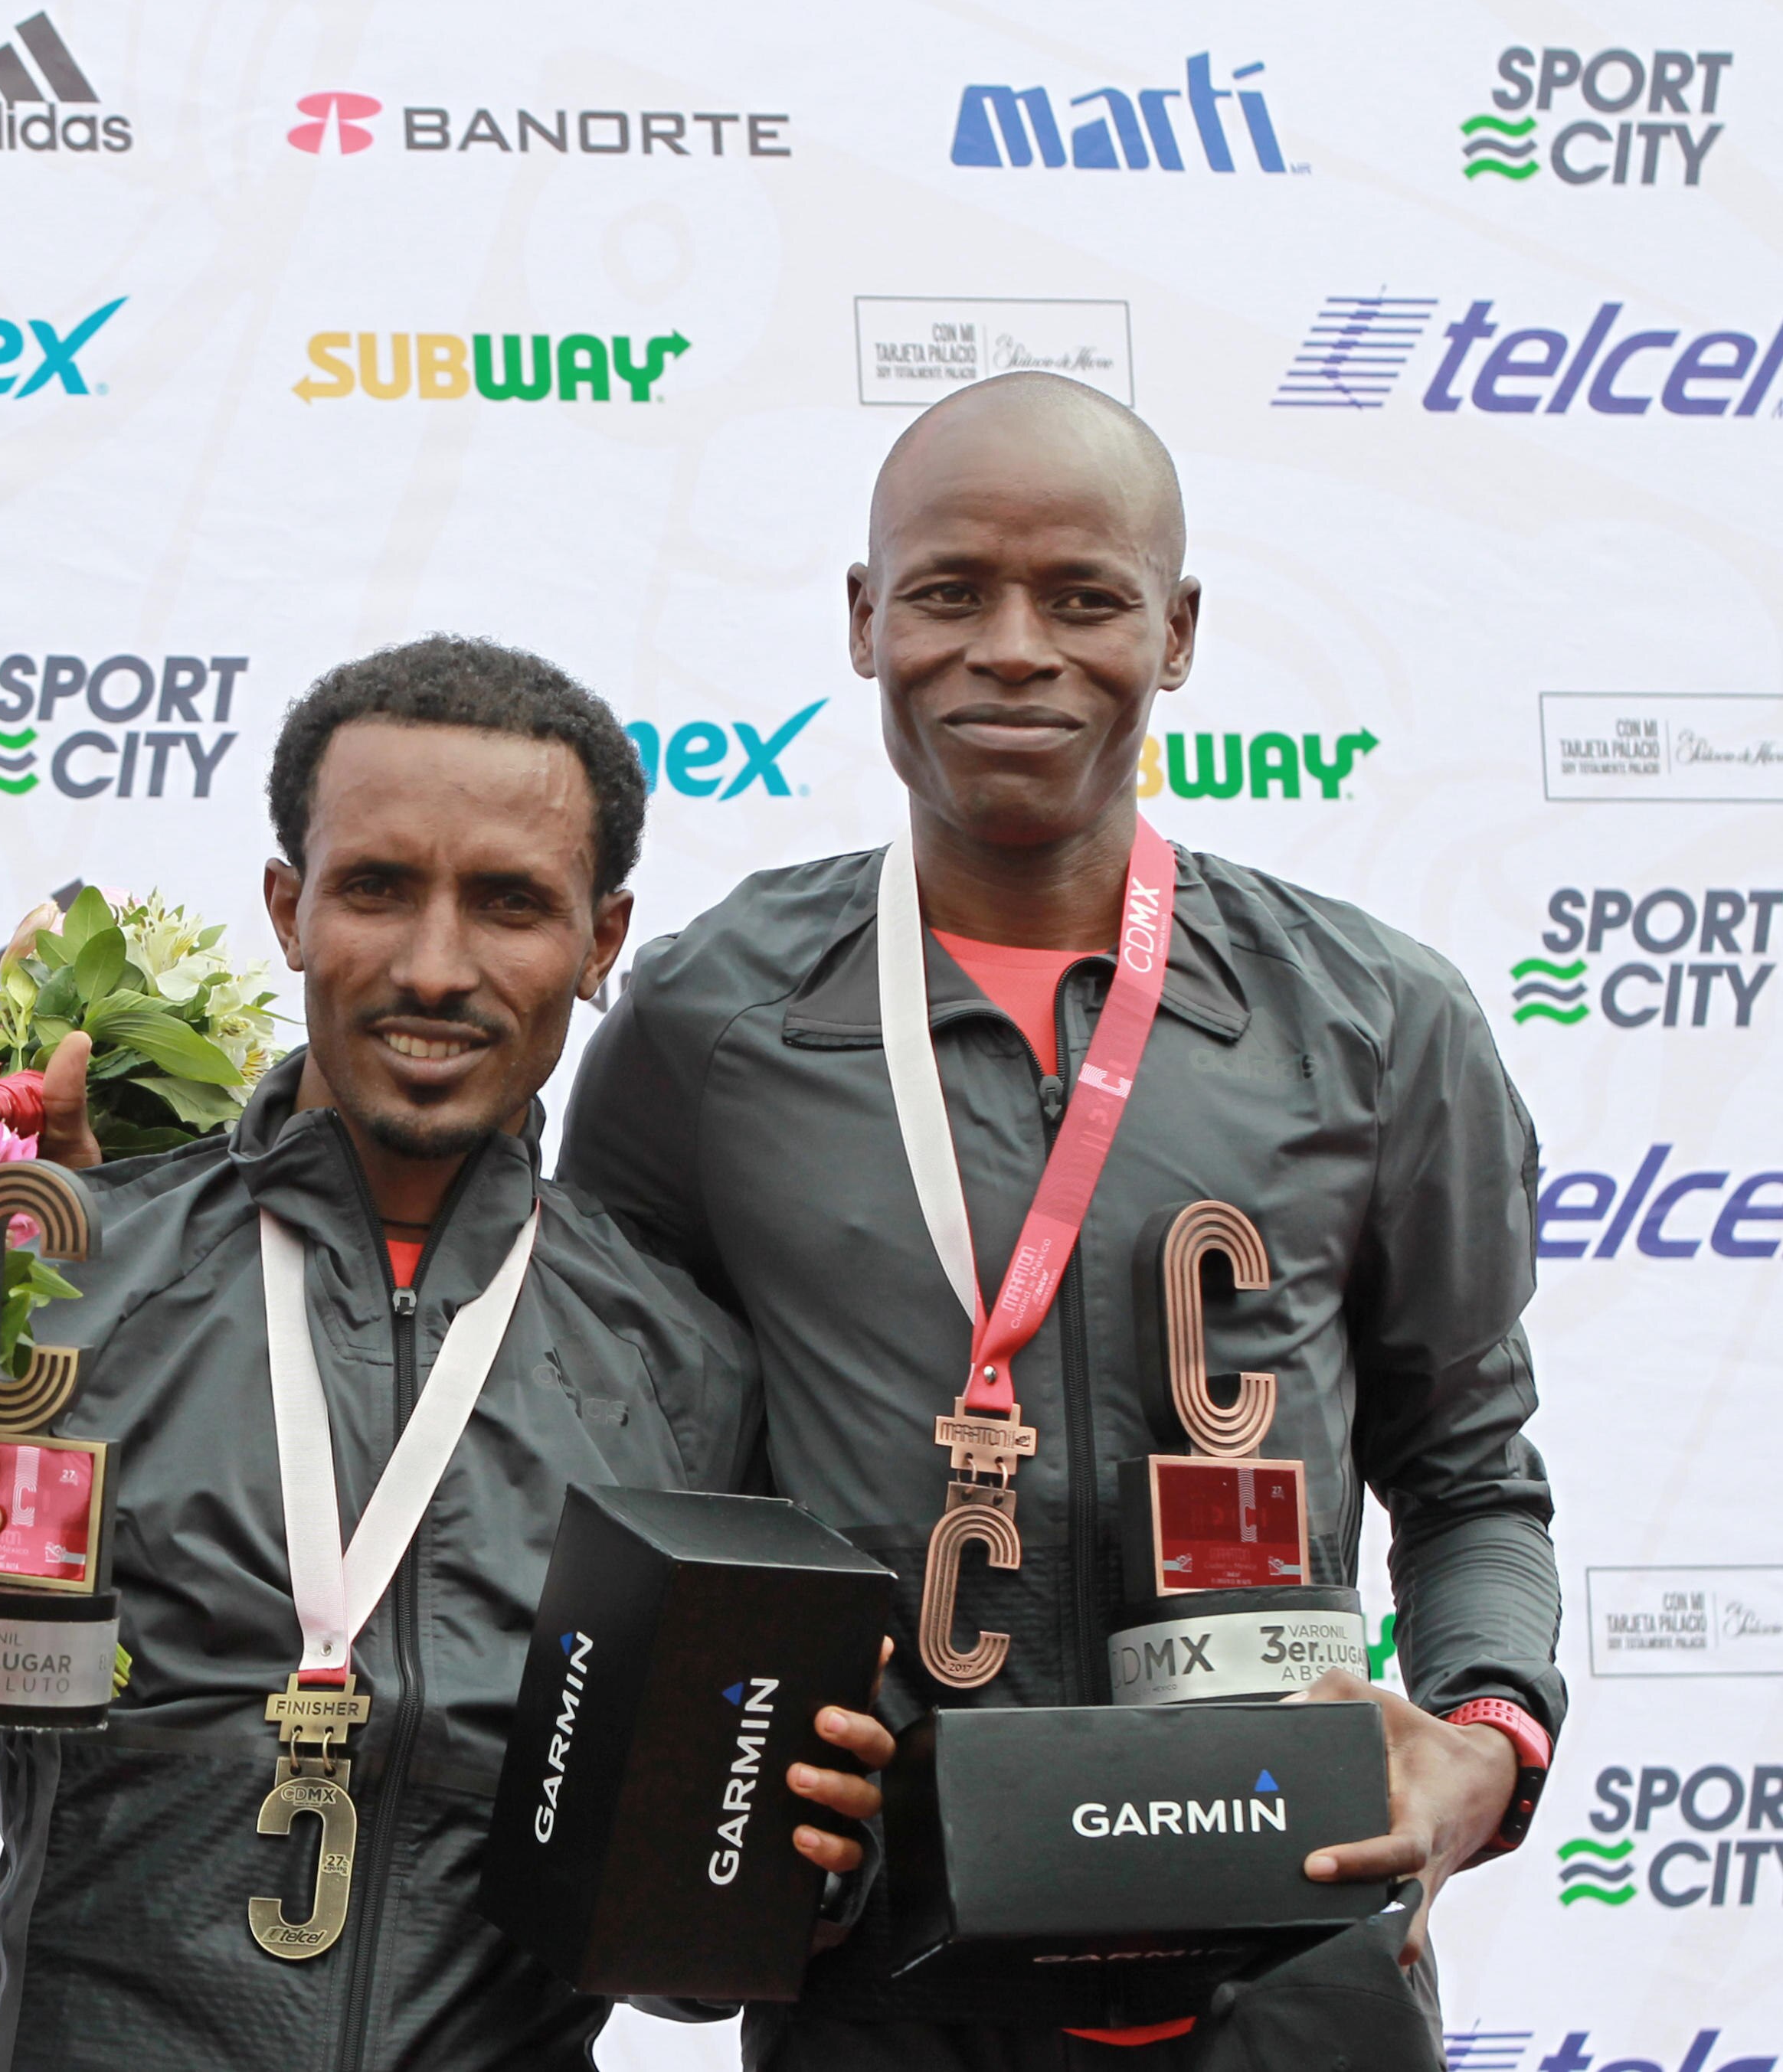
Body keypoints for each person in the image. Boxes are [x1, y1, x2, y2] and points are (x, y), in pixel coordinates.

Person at [559, 371, 1562, 2067]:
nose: (1011, 646)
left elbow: (1471, 1473)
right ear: (863, 618)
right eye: (948, 589)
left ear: (1173, 634)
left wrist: (1482, 1728)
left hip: (1294, 1951)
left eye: (1082, 597)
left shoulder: (1376, 1018)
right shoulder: (703, 1021)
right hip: (875, 1963)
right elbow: (609, 1475)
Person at [0, 638, 886, 2069]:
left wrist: (802, 1860)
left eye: (511, 906)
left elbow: (689, 1977)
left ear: (600, 945)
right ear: (288, 908)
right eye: (377, 887)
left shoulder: (683, 1367)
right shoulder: (54, 1289)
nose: (434, 966)